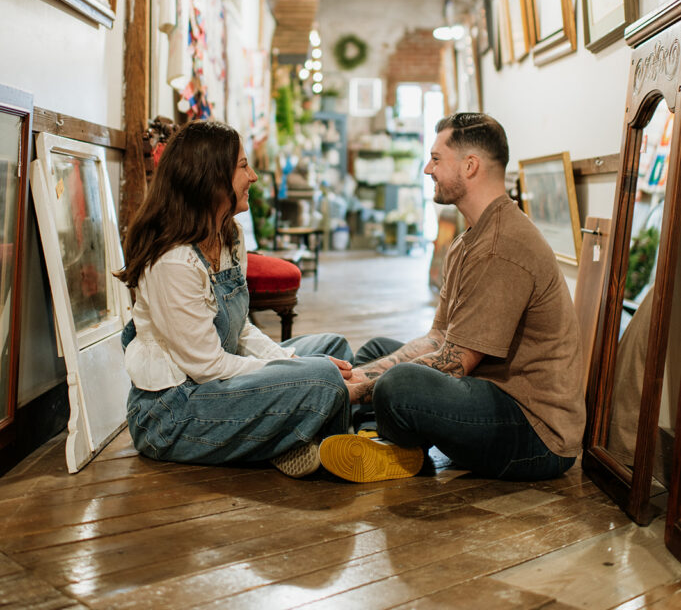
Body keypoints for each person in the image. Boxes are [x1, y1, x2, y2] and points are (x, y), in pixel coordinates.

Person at [319, 112, 586, 483]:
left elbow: (456, 362)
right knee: (374, 351)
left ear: (470, 165)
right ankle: (373, 436)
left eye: (436, 158)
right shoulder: (468, 241)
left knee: (399, 386)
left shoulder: (501, 245)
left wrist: (358, 390)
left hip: (537, 434)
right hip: (491, 392)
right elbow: (437, 338)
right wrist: (363, 373)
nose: (428, 169)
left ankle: (380, 441)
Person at [117, 120, 354, 477]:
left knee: (332, 349)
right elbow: (209, 367)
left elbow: (240, 331)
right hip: (174, 413)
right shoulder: (173, 261)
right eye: (243, 166)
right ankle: (312, 436)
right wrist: (299, 370)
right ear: (210, 178)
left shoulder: (229, 234)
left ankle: (289, 437)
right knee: (322, 376)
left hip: (219, 386)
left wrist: (288, 358)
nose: (254, 176)